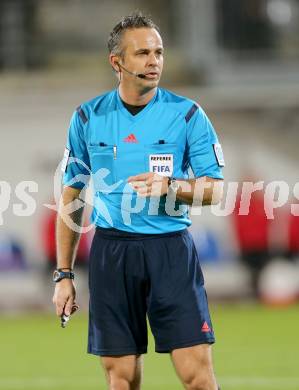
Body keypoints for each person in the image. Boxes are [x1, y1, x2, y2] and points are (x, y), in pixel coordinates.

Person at [52, 12, 224, 390]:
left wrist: (172, 186)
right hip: (112, 252)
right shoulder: (87, 117)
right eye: (143, 53)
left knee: (197, 377)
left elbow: (216, 190)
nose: (154, 61)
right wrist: (64, 275)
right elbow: (71, 199)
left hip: (170, 251)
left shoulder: (188, 114)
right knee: (121, 379)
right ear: (117, 62)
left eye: (159, 52)